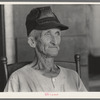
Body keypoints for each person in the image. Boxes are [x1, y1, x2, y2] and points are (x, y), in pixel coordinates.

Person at [4, 6, 87, 92]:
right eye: (47, 34)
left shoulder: (73, 76)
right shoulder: (18, 79)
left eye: (57, 33)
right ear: (32, 42)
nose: (55, 41)